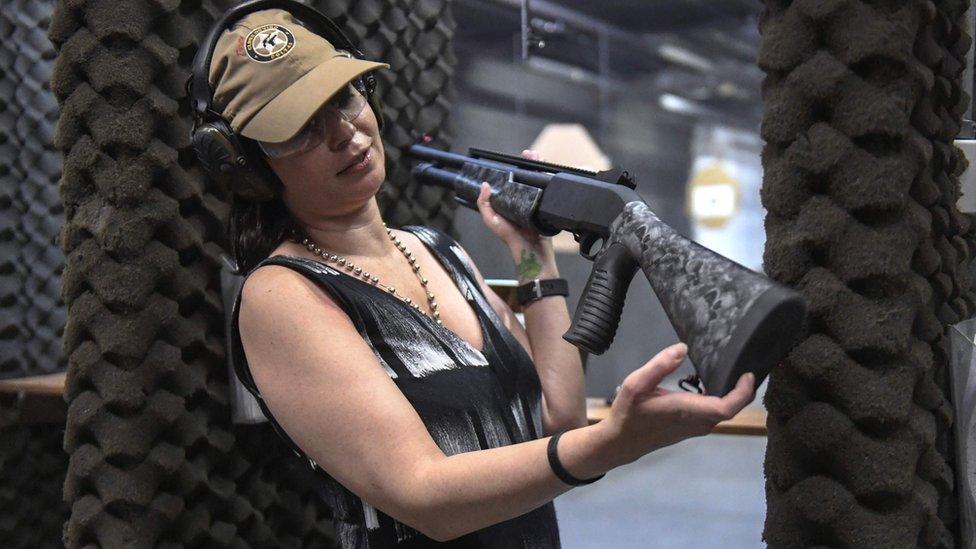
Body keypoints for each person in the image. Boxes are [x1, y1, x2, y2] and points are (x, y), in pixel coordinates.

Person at [201, 4, 757, 547]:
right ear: (248, 166)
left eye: (343, 97)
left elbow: (556, 415)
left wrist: (533, 255)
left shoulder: (439, 251)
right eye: (300, 127)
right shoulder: (282, 295)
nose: (343, 132)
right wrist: (613, 444)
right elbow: (426, 498)